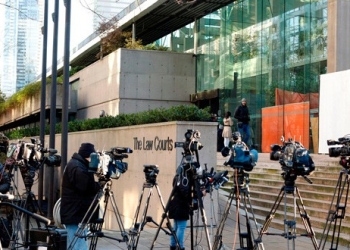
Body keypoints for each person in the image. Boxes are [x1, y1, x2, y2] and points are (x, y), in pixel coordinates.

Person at [60, 143, 102, 250]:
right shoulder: (78, 167)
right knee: (79, 246)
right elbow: (87, 188)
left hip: (75, 213)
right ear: (88, 156)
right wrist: (100, 184)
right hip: (75, 213)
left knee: (74, 244)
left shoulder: (77, 164)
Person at [168, 164, 192, 250]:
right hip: (181, 205)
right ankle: (180, 246)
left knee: (176, 226)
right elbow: (185, 192)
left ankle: (173, 245)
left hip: (175, 203)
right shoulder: (184, 179)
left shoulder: (177, 177)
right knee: (181, 227)